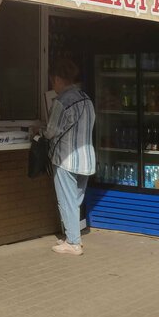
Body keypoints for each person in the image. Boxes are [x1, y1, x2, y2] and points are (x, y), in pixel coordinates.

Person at [43, 57, 95, 255]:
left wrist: (38, 131)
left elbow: (51, 131)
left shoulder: (61, 101)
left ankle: (73, 242)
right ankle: (72, 236)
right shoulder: (86, 99)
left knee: (66, 200)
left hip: (66, 159)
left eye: (52, 81)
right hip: (86, 159)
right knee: (75, 200)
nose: (52, 86)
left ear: (57, 79)